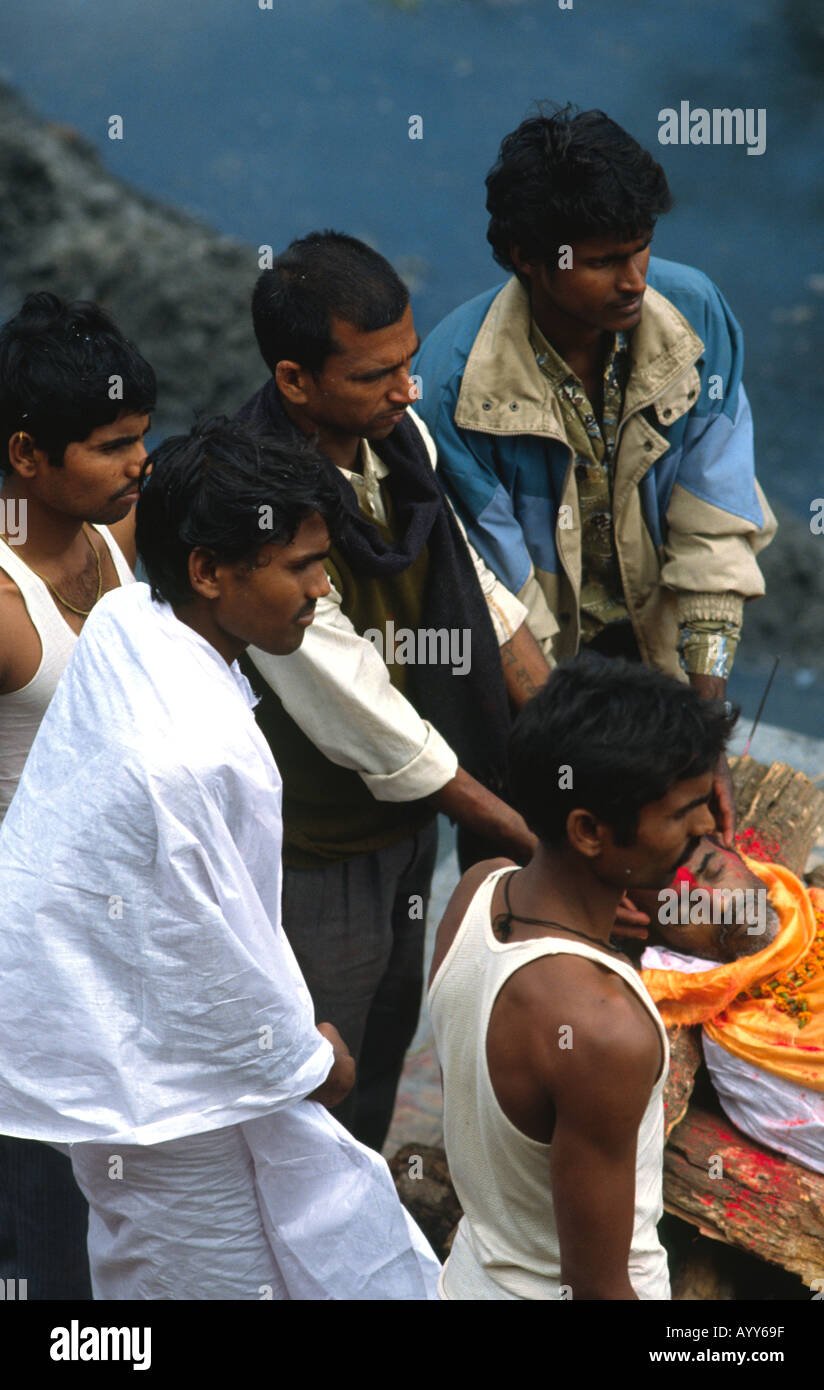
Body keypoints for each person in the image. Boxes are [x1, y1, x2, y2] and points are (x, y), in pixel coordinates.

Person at [0, 417, 439, 1299]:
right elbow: (212, 942)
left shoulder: (131, 616)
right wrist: (304, 1058)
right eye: (299, 567)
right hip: (172, 1098)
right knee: (210, 1277)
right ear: (207, 570)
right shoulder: (201, 753)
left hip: (114, 1047)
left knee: (133, 1260)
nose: (321, 591)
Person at [236, 231, 549, 1150]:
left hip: (408, 826)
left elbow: (478, 593)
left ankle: (364, 1232)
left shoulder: (396, 443)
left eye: (409, 364)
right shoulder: (266, 510)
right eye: (377, 375)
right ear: (295, 381)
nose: (408, 390)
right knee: (316, 1070)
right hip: (321, 847)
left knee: (383, 1039)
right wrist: (534, 836)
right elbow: (368, 720)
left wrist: (577, 746)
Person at [413, 104, 778, 846]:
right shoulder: (452, 387)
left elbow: (715, 521)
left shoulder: (697, 315)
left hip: (658, 658)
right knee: (547, 871)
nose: (634, 280)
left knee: (679, 885)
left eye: (642, 249)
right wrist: (588, 767)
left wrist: (702, 732)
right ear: (526, 256)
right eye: (606, 260)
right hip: (532, 695)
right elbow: (502, 603)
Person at [428, 654, 737, 1299]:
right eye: (683, 812)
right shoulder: (604, 1030)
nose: (708, 826)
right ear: (590, 831)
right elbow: (599, 1290)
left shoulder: (477, 890)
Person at [0, 291, 155, 1300]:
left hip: (110, 929)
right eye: (111, 445)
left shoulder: (114, 533)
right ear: (26, 457)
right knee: (48, 1211)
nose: (140, 462)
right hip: (26, 955)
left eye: (144, 437)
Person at [635, 835, 824, 1180]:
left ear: (737, 855)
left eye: (713, 870)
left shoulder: (817, 907)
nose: (722, 904)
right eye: (684, 909)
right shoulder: (742, 1050)